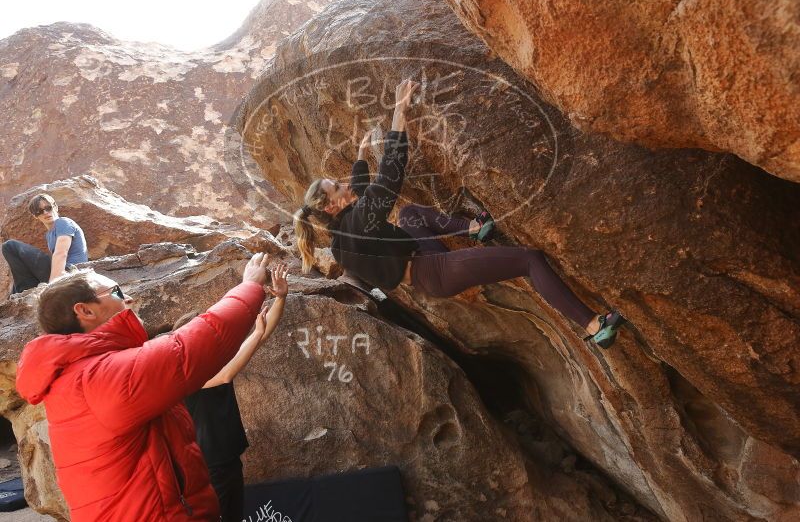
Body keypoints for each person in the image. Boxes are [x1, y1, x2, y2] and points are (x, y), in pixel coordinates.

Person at [293, 80, 624, 348]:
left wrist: (361, 156)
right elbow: (389, 177)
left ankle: (475, 229)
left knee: (409, 213)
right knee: (530, 259)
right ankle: (594, 326)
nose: (344, 184)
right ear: (330, 206)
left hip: (421, 260)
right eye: (336, 186)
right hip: (435, 271)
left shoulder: (342, 238)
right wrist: (399, 112)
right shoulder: (356, 224)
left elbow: (363, 194)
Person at [15, 253, 271, 521]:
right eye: (116, 291)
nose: (128, 298)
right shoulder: (98, 377)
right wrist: (250, 286)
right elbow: (190, 348)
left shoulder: (81, 374)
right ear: (85, 311)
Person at [183, 262, 289, 522]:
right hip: (209, 466)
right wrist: (255, 333)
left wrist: (281, 298)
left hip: (228, 459)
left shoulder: (216, 360)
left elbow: (262, 335)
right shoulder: (187, 374)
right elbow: (225, 375)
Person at [2, 193, 88, 294]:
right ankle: (23, 295)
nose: (46, 213)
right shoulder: (49, 235)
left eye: (48, 208)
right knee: (17, 280)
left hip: (71, 272)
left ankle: (24, 292)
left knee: (10, 246)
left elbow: (61, 253)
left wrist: (53, 285)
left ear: (55, 207)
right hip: (62, 272)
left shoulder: (63, 222)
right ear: (35, 216)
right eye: (39, 211)